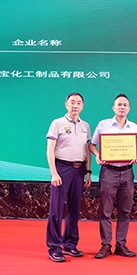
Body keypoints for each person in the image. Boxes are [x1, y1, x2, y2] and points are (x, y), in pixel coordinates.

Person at [89, 94, 137, 259]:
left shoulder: (134, 127)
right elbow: (92, 145)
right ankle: (105, 245)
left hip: (127, 172)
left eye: (125, 105)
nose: (122, 107)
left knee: (125, 210)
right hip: (108, 171)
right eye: (119, 105)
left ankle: (121, 245)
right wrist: (97, 154)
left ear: (129, 108)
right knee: (105, 210)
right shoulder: (103, 125)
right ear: (113, 107)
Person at [45, 92, 92, 263]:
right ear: (66, 104)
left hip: (79, 171)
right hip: (62, 169)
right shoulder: (57, 123)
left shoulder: (85, 126)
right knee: (56, 210)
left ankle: (70, 243)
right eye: (72, 102)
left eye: (79, 102)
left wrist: (88, 171)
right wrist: (54, 172)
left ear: (82, 106)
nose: (75, 105)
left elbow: (87, 150)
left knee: (74, 209)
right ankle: (54, 247)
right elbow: (50, 149)